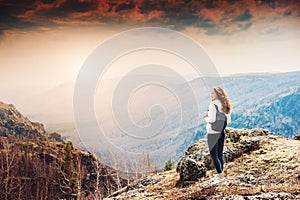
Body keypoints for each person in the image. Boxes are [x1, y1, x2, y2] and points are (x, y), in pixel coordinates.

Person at [203, 86, 232, 185]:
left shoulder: (212, 105)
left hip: (213, 133)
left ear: (217, 94)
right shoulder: (224, 104)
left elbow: (211, 120)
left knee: (214, 155)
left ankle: (221, 178)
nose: (211, 95)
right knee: (220, 155)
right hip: (221, 132)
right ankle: (220, 175)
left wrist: (206, 117)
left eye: (213, 93)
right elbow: (228, 120)